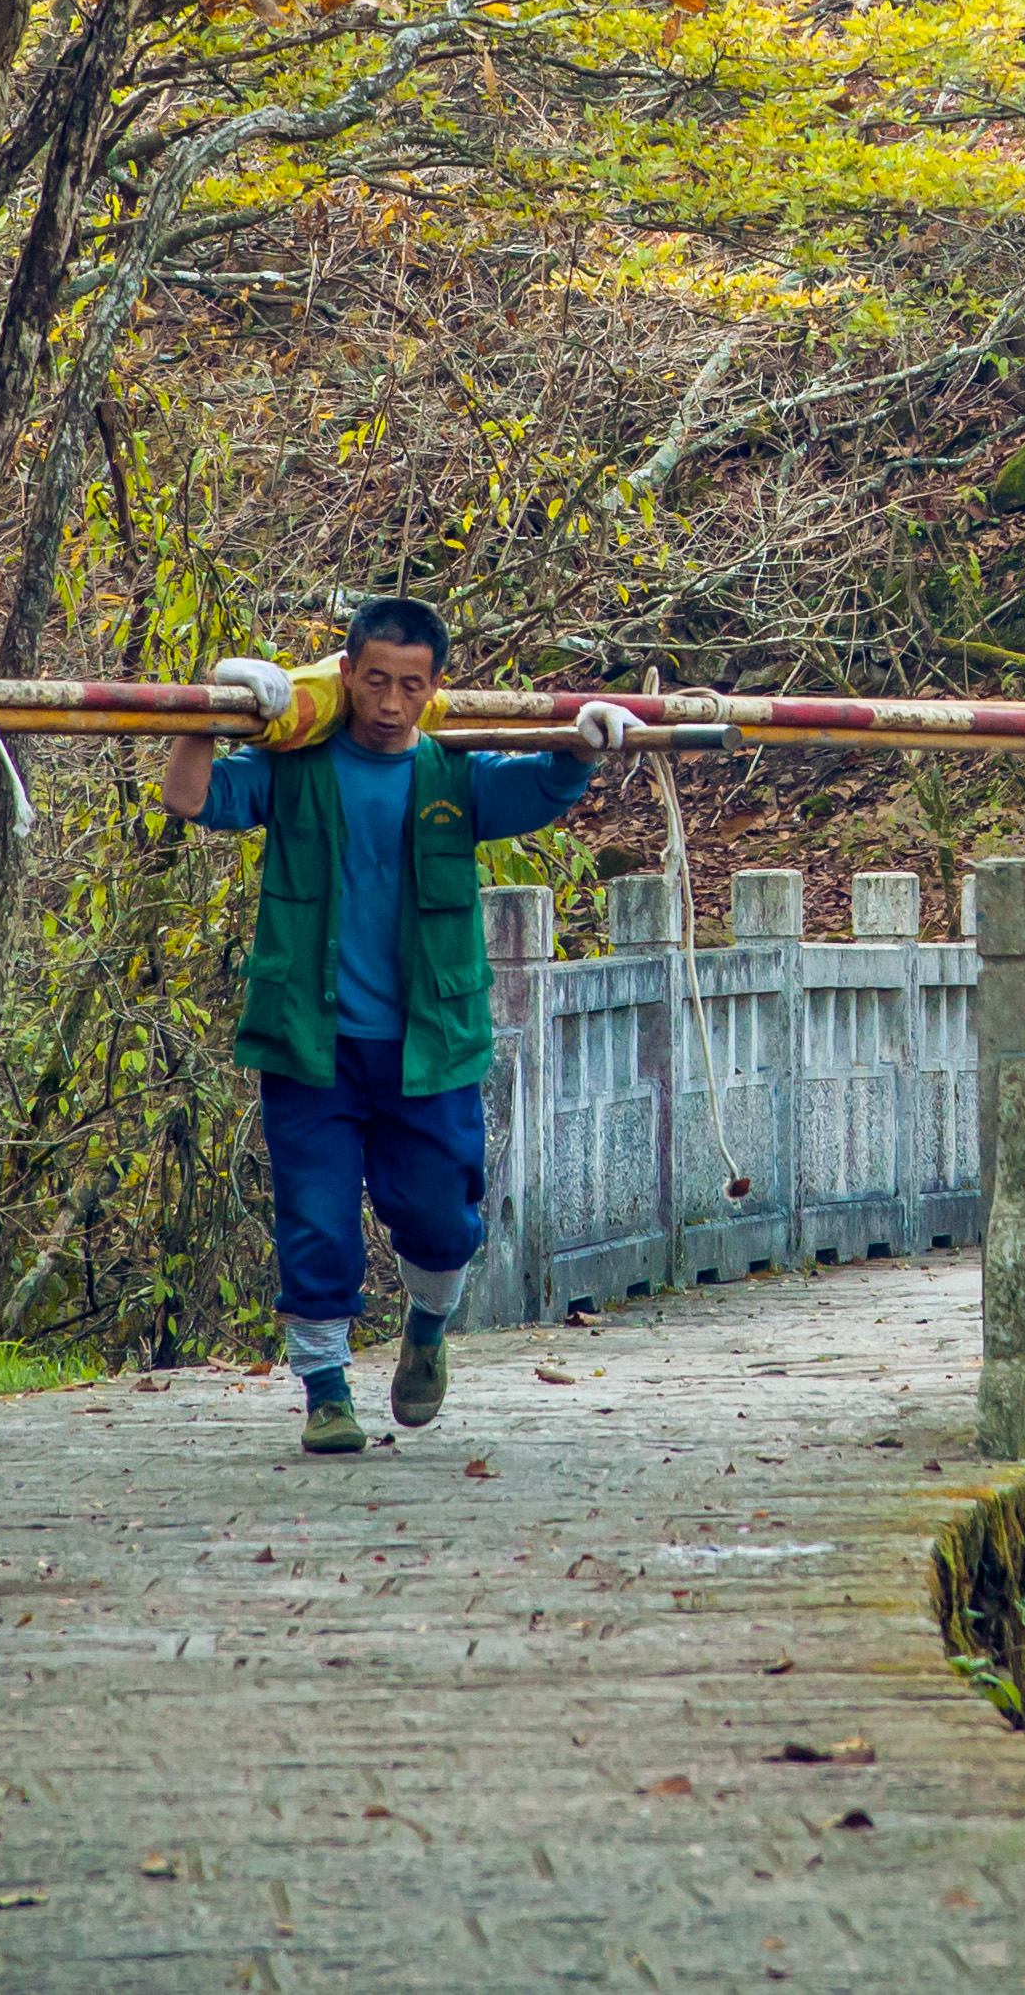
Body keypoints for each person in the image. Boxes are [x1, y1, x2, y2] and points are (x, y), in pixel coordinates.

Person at [159, 598, 654, 1454]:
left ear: (434, 690)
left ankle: (428, 1324)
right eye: (375, 680)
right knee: (315, 1218)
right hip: (310, 1041)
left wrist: (582, 737)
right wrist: (210, 707)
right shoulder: (296, 766)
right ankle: (324, 1389)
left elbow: (542, 784)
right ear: (345, 674)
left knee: (439, 1216)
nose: (389, 703)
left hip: (431, 1043)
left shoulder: (453, 775)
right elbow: (188, 796)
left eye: (410, 686)